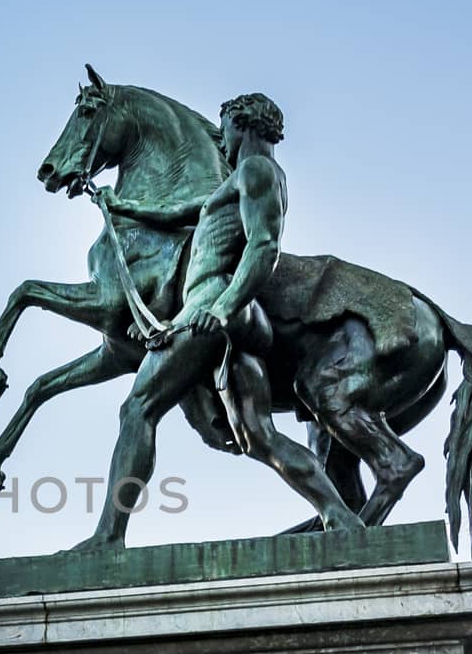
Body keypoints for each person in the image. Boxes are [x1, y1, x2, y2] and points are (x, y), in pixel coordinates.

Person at [77, 93, 362, 548]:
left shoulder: (256, 171)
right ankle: (341, 518)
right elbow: (177, 213)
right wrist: (122, 207)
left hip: (214, 306)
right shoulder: (238, 183)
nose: (221, 137)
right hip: (218, 315)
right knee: (260, 438)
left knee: (138, 408)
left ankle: (107, 537)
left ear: (243, 125)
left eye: (224, 126)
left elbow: (263, 246)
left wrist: (221, 307)